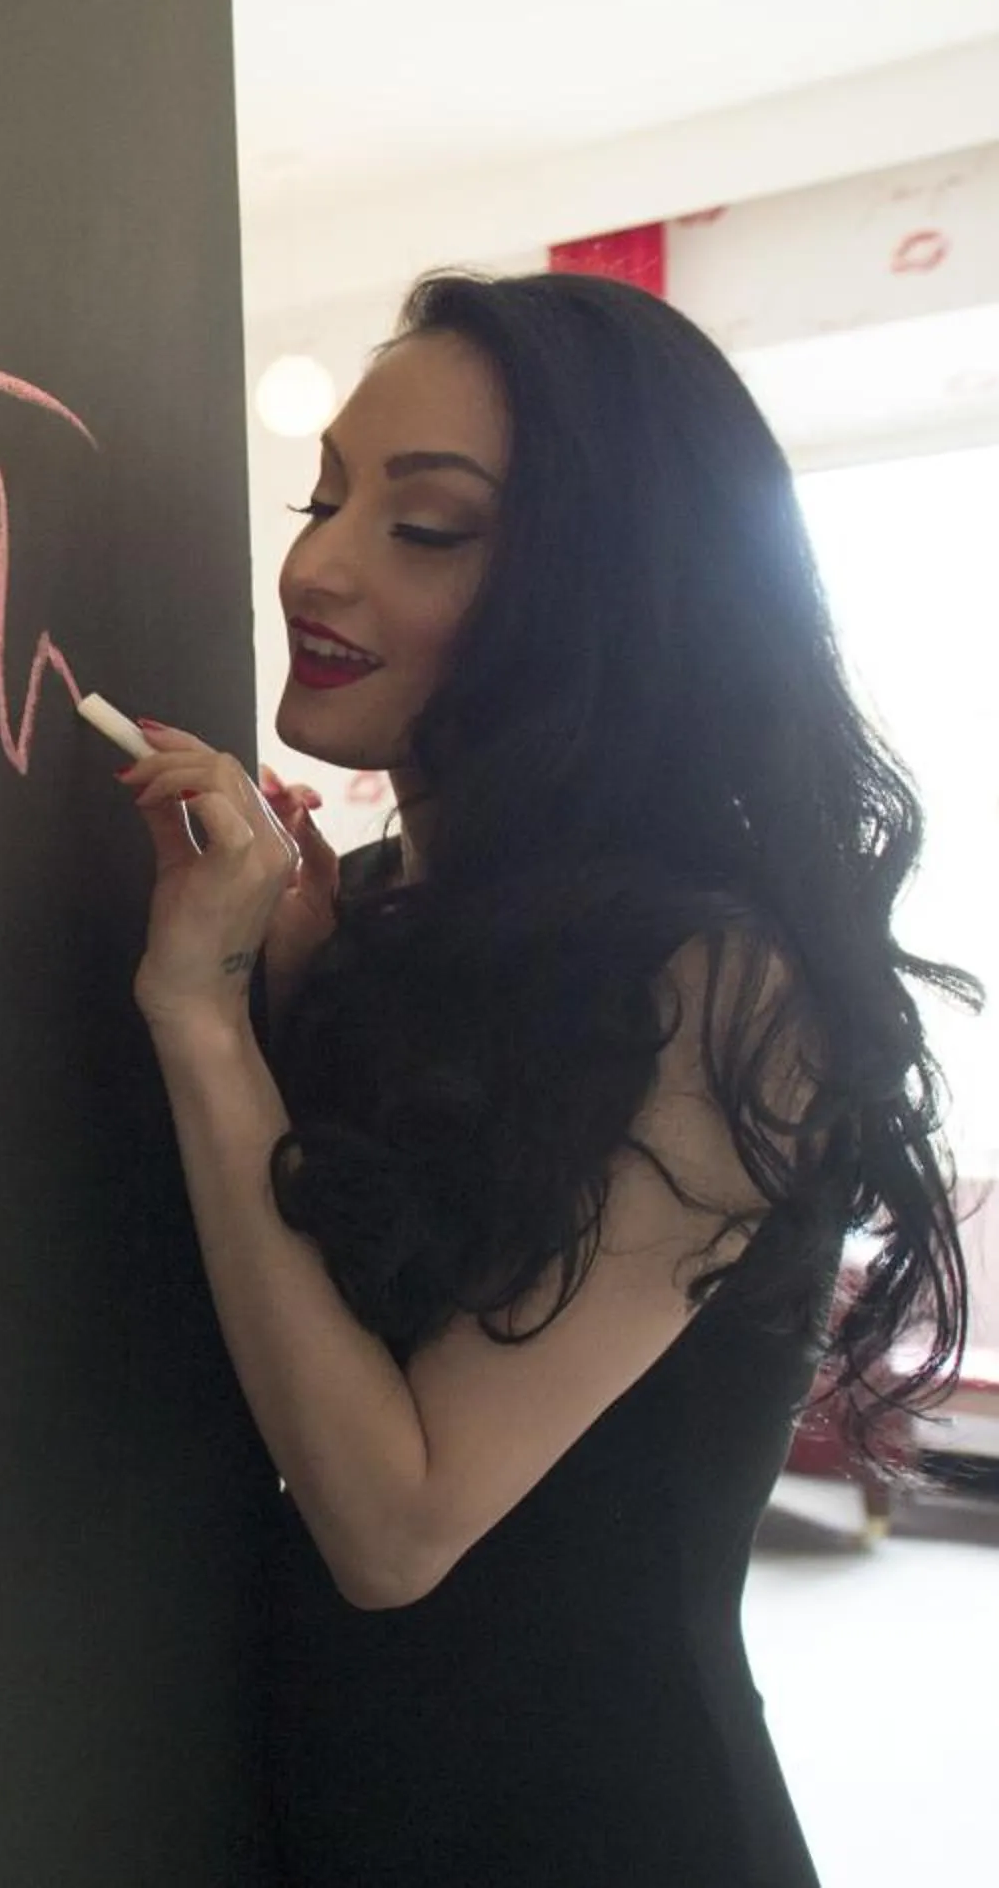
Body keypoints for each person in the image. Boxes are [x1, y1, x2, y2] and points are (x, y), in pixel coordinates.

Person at [114, 270, 979, 1887]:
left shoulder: (723, 986)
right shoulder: (379, 914)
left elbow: (399, 1522)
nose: (317, 564)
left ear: (606, 593)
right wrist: (301, 987)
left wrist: (210, 1024)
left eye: (426, 526)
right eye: (324, 497)